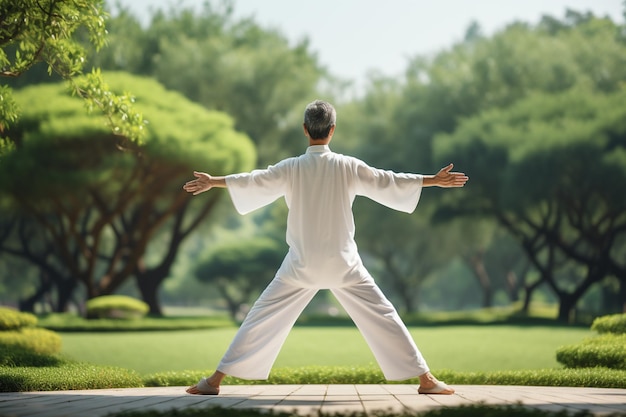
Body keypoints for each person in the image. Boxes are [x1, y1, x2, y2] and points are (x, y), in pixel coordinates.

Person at [183, 100, 468, 396]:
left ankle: (214, 381)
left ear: (305, 130)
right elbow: (387, 180)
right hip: (344, 264)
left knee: (259, 317)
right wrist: (432, 180)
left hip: (300, 265)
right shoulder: (348, 166)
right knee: (385, 316)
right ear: (332, 130)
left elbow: (255, 180)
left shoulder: (291, 167)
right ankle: (426, 380)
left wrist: (213, 181)